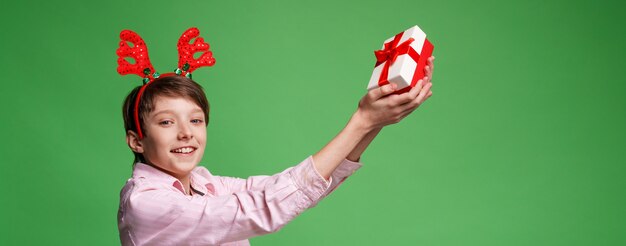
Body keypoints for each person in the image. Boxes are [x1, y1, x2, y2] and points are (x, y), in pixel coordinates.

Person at [116, 27, 434, 246]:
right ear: (137, 140)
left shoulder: (205, 184)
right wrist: (361, 121)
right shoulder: (146, 202)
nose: (186, 132)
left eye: (196, 120)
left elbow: (297, 189)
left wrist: (375, 121)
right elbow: (265, 208)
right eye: (167, 122)